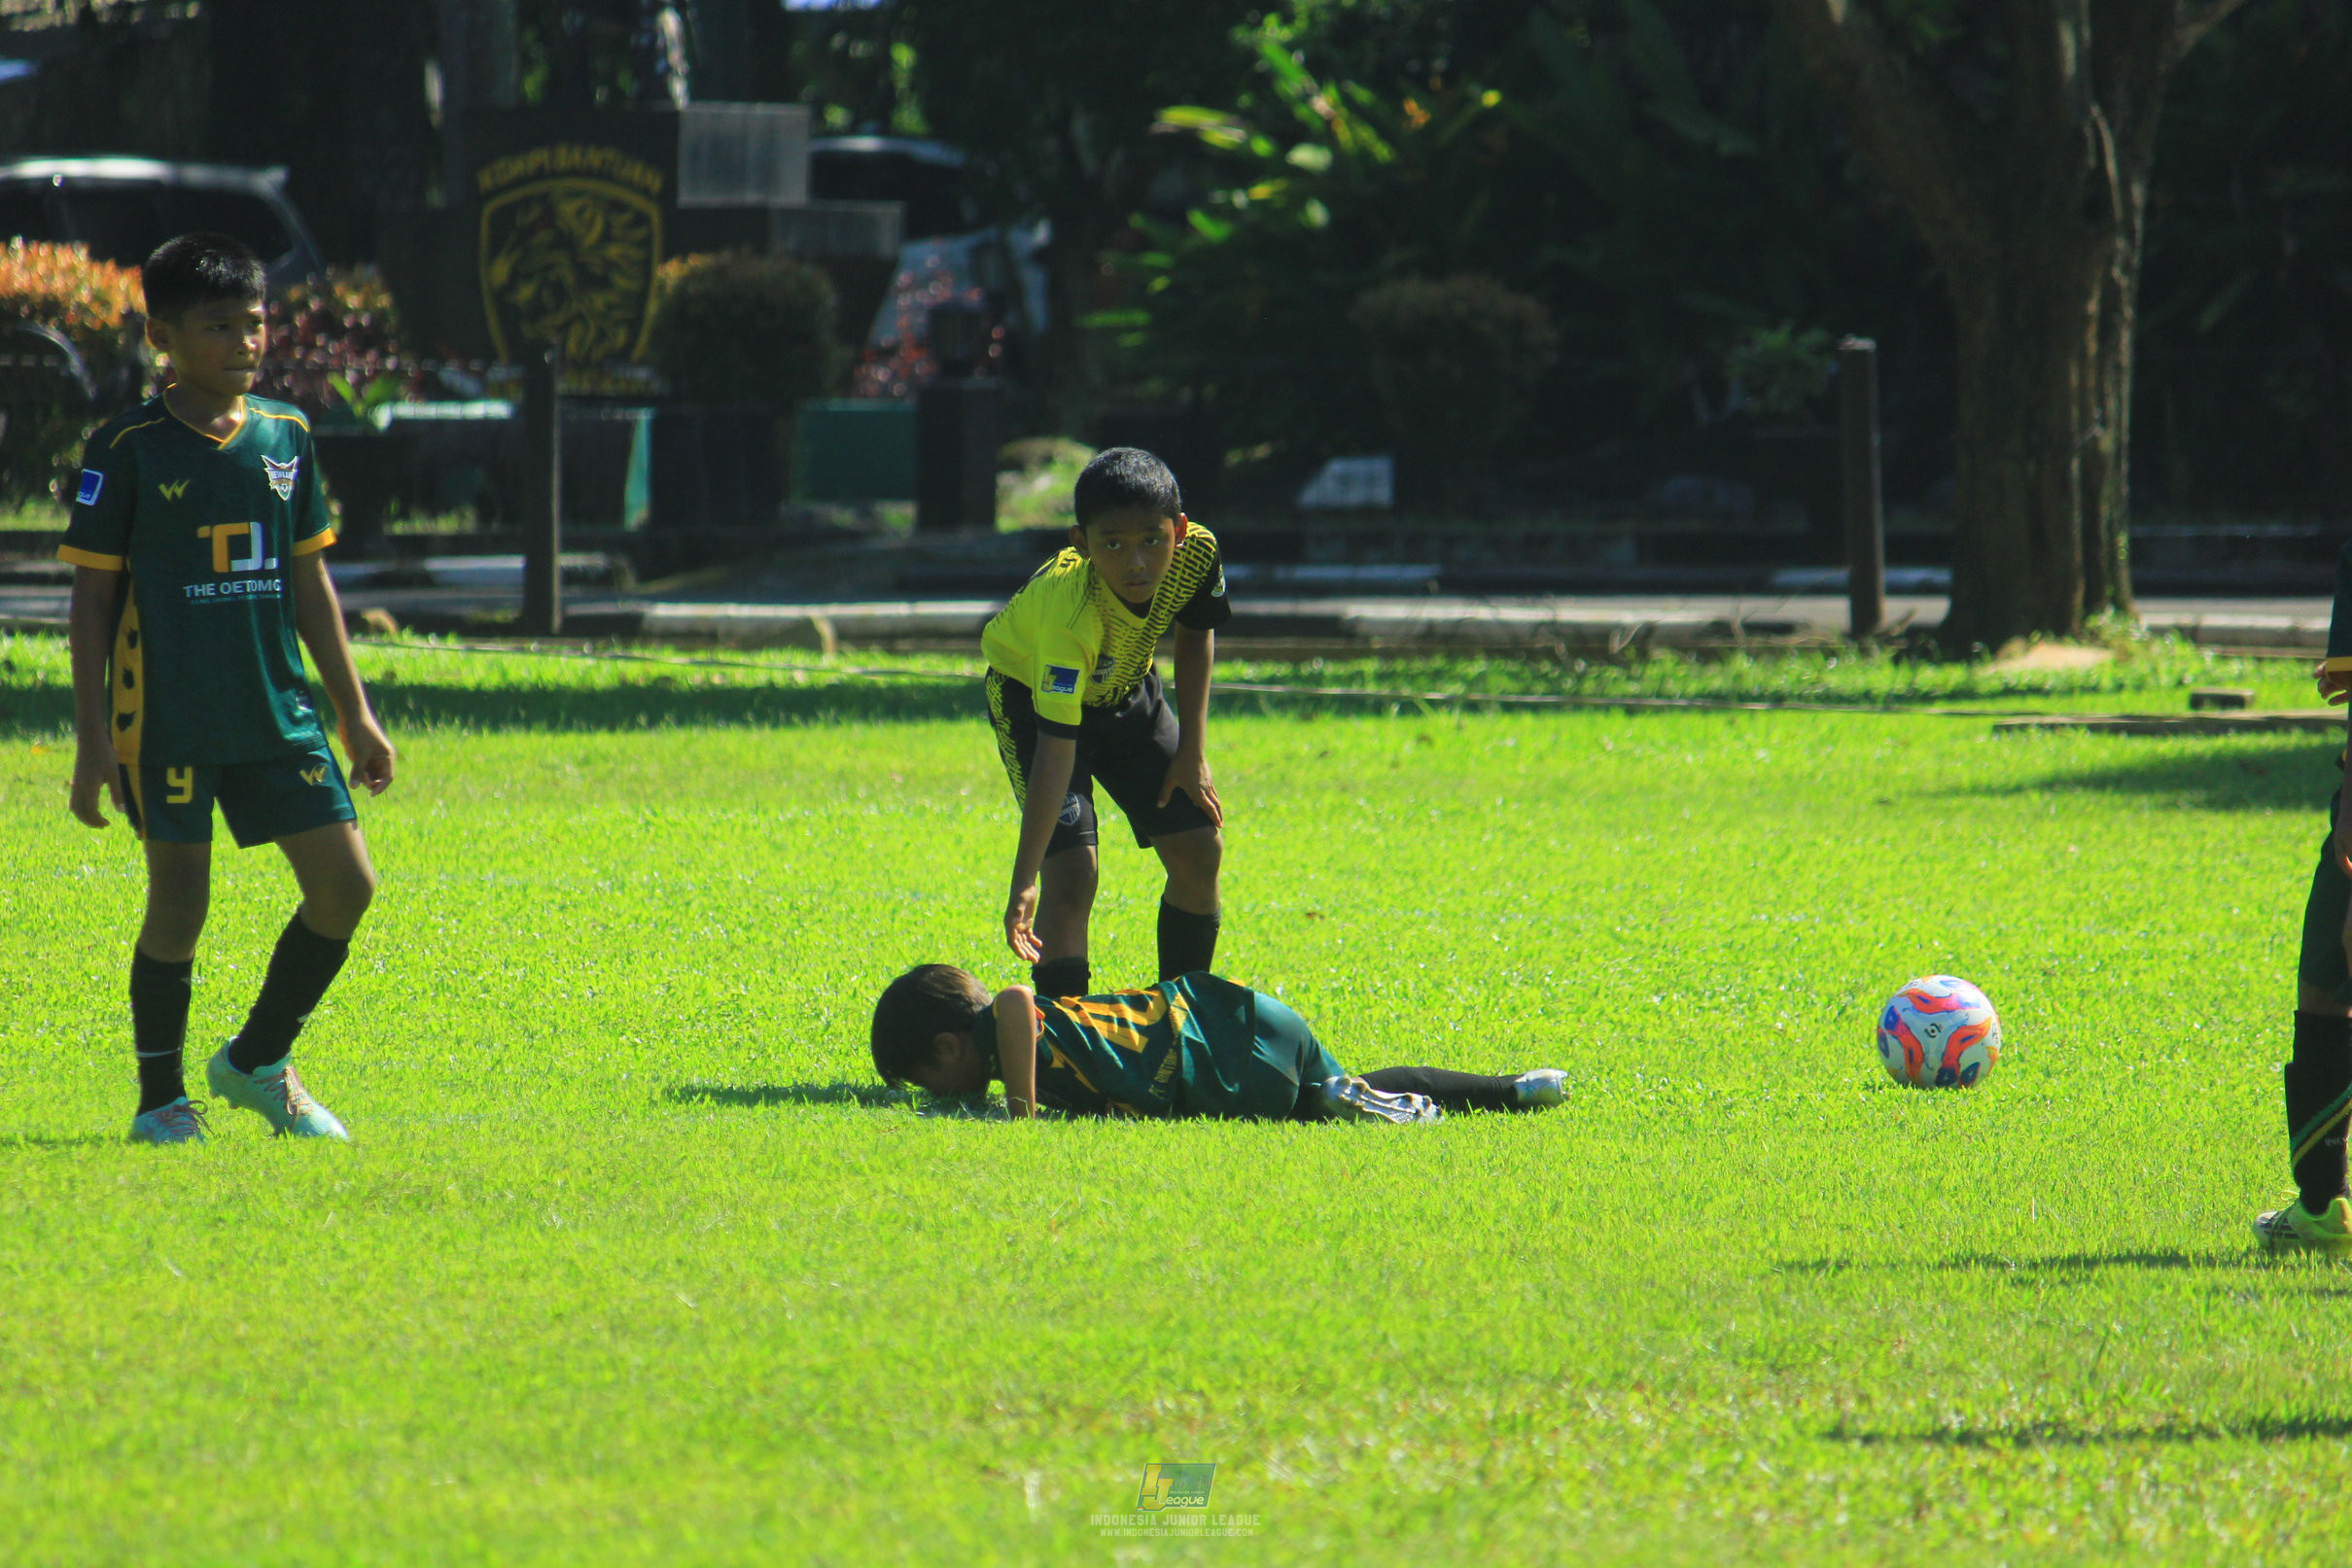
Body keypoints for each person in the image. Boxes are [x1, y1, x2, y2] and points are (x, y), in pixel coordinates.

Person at [60, 232, 394, 1146]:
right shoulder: (126, 445)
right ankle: (161, 1101)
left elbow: (308, 582)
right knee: (181, 904)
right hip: (166, 720)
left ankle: (254, 1061)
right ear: (163, 335)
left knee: (346, 887)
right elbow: (91, 598)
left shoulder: (285, 436)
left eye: (254, 323)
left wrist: (353, 711)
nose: (246, 342)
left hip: (276, 712)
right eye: (220, 327)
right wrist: (93, 738)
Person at [980, 447, 1229, 998]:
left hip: (1126, 689)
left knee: (1199, 847)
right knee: (1071, 875)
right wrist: (1025, 879)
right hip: (1034, 704)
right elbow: (1056, 746)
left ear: (1180, 530)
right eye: (1112, 544)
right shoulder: (1070, 616)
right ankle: (1067, 1057)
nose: (1136, 562)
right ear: (1081, 543)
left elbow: (1196, 630)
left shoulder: (1198, 552)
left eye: (1151, 540)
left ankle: (1181, 1026)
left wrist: (1192, 752)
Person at [869, 964, 1568, 1123]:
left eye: (927, 1081)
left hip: (1206, 1045)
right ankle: (1513, 1088)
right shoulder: (1031, 1055)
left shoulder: (1000, 1028)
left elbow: (1017, 1001)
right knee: (1331, 1089)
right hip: (1247, 1017)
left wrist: (1017, 1111)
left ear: (946, 1047)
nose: (942, 1096)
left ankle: (1336, 1101)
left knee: (1304, 1107)